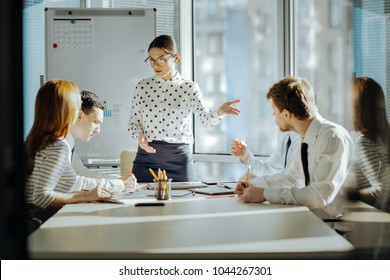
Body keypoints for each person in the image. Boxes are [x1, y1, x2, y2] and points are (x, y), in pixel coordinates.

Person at [235, 76, 354, 218]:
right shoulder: (305, 137)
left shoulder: (332, 138)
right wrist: (252, 185)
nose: (275, 119)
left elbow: (319, 196)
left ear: (285, 114)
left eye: (274, 114)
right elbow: (291, 179)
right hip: (314, 219)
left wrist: (265, 194)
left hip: (334, 226)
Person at [129, 34, 241, 182]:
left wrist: (220, 111)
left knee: (185, 202)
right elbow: (133, 123)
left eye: (161, 59)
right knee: (139, 201)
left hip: (179, 159)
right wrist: (140, 137)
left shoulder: (189, 88)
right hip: (146, 158)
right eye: (151, 60)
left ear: (175, 58)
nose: (156, 65)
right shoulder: (142, 87)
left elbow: (206, 120)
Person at [25, 80, 112, 234]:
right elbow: (41, 196)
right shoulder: (58, 146)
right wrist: (83, 197)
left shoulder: (37, 139)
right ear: (67, 110)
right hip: (39, 222)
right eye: (77, 106)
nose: (79, 113)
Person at [67, 90, 136, 193]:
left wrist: (117, 180)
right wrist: (117, 185)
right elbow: (70, 182)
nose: (98, 130)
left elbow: (80, 172)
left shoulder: (69, 143)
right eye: (95, 122)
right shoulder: (59, 143)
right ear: (80, 116)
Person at [348, 76, 390, 212]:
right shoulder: (383, 136)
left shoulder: (365, 144)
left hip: (375, 221)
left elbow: (383, 192)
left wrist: (349, 195)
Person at [230, 131, 303, 187]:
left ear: (286, 114)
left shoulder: (304, 139)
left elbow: (294, 181)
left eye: (276, 111)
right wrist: (244, 154)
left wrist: (253, 182)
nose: (273, 114)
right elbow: (267, 169)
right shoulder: (286, 137)